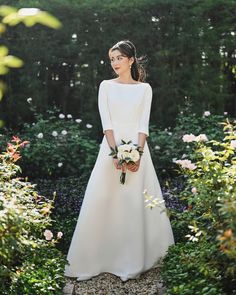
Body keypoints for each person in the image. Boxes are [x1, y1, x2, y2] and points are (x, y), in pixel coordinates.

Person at [64, 40, 175, 282]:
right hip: (111, 150)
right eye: (112, 59)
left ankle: (137, 258)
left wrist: (137, 155)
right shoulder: (105, 86)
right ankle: (99, 259)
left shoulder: (145, 89)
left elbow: (143, 126)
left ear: (131, 59)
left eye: (119, 58)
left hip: (138, 151)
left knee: (134, 204)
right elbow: (107, 124)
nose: (114, 63)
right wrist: (116, 154)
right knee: (104, 201)